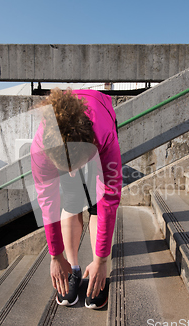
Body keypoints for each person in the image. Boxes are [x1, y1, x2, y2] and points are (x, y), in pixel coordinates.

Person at [30, 88, 122, 309]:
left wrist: (102, 260)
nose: (72, 173)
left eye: (75, 167)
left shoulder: (104, 135)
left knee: (96, 203)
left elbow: (109, 199)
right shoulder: (41, 148)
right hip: (64, 142)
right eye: (66, 169)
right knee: (71, 198)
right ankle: (74, 269)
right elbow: (48, 202)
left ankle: (95, 269)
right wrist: (55, 256)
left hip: (98, 120)